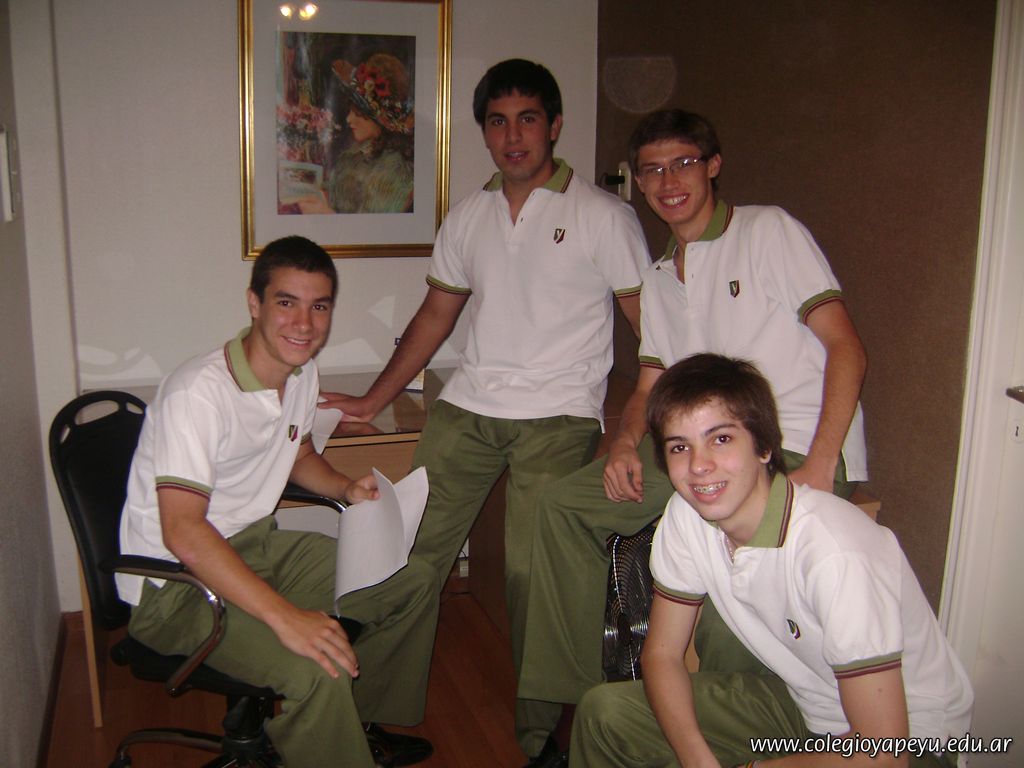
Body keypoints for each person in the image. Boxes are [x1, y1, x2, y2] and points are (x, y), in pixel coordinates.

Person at [320, 58, 650, 766]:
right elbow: (435, 316)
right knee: (405, 550)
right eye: (497, 122)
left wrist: (642, 427)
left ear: (554, 126)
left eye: (527, 119)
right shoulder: (468, 216)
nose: (512, 136)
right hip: (469, 407)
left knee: (531, 572)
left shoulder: (603, 216)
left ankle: (541, 738)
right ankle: (374, 716)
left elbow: (651, 331)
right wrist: (375, 399)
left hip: (559, 415)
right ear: (484, 132)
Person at [518, 109, 869, 765]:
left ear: (713, 166)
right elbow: (650, 389)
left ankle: (732, 736)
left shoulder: (767, 232)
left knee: (736, 585)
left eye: (682, 163)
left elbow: (846, 346)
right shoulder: (657, 277)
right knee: (561, 506)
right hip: (695, 445)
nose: (668, 181)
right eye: (652, 170)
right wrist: (627, 444)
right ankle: (579, 706)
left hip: (791, 445)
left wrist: (823, 463)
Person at [116, 236, 436, 768]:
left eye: (319, 306)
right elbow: (184, 531)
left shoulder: (301, 373)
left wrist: (344, 488)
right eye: (287, 302)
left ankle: (354, 725)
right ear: (254, 303)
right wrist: (287, 618)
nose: (304, 324)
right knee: (317, 665)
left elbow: (298, 451)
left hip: (254, 546)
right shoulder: (198, 395)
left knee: (412, 580)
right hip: (176, 587)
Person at [570, 353, 973, 768]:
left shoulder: (836, 553)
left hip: (912, 739)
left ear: (763, 446)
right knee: (606, 716)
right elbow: (662, 654)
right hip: (808, 706)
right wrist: (698, 759)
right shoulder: (687, 516)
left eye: (721, 439)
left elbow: (885, 755)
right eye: (679, 447)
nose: (699, 465)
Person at [300, 52, 415, 214]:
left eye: (358, 113)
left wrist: (325, 214)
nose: (349, 119)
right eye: (350, 110)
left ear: (379, 120)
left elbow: (376, 227)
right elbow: (334, 192)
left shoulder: (395, 170)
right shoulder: (354, 154)